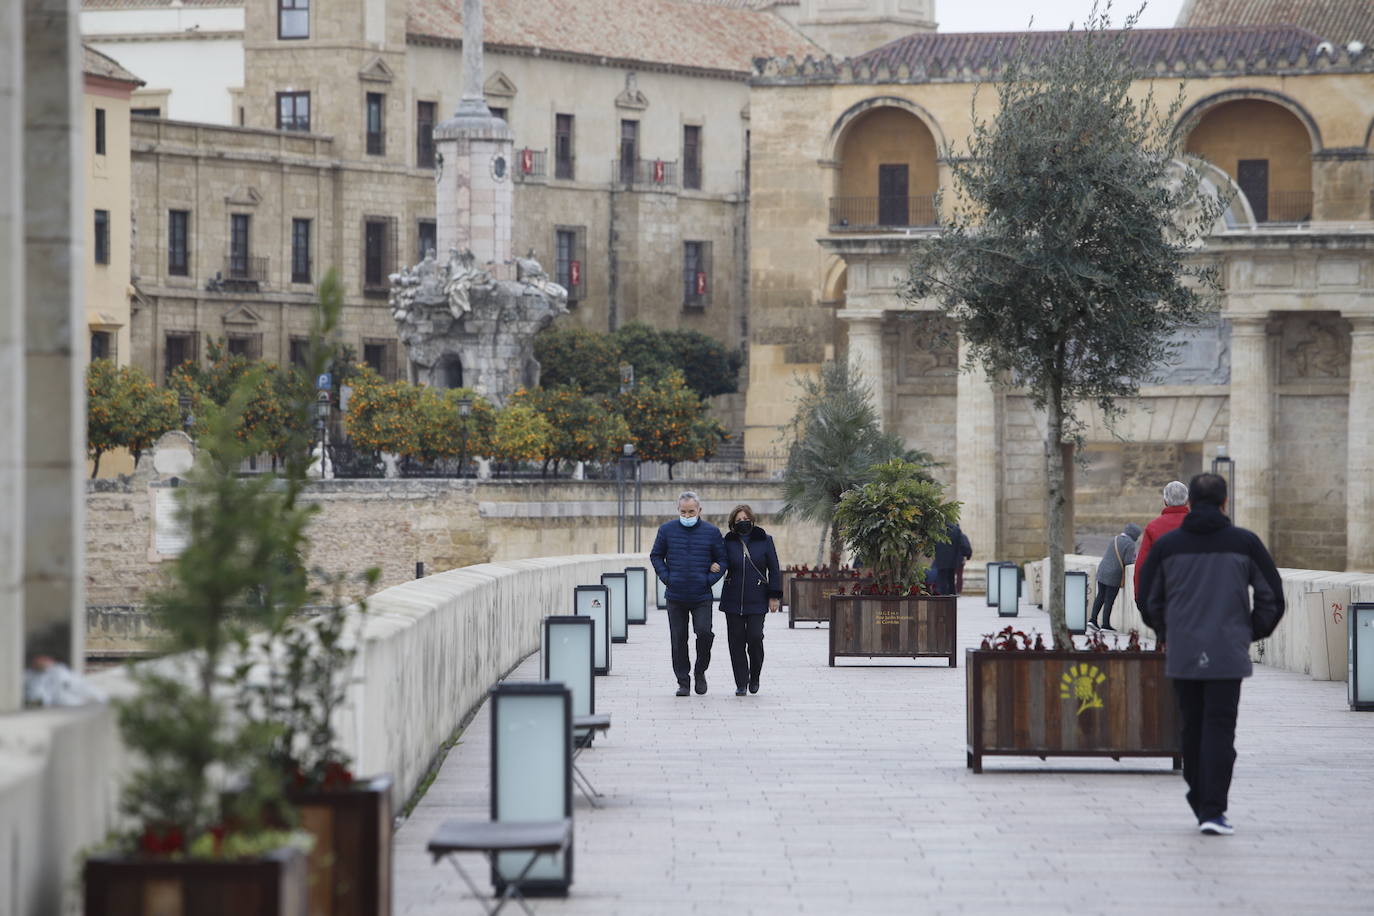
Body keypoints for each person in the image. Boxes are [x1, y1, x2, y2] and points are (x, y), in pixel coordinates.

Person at [1136, 473, 1284, 836]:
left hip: (1184, 652)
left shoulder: (1168, 546)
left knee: (1191, 727)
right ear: (1224, 503)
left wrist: (1167, 632)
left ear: (1191, 503)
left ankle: (1200, 796)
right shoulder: (1245, 543)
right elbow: (1272, 597)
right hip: (1227, 654)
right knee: (1220, 729)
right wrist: (1249, 632)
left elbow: (1148, 598)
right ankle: (1212, 809)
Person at [650, 491, 727, 697]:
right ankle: (683, 682)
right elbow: (656, 555)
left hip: (701, 596)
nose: (687, 515)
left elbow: (723, 560)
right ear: (678, 510)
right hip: (675, 595)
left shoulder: (711, 532)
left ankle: (700, 671)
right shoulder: (666, 530)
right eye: (683, 512)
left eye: (691, 511)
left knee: (704, 633)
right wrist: (668, 577)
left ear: (699, 510)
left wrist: (708, 580)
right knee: (678, 639)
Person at [718, 504, 782, 696]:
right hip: (732, 598)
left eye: (745, 519)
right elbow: (720, 563)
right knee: (736, 642)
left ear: (752, 520)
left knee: (755, 638)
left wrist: (774, 596)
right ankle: (741, 682)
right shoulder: (727, 542)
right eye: (738, 520)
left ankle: (755, 676)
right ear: (732, 524)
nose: (742, 522)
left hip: (758, 598)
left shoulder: (765, 540)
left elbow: (775, 569)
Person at [1133, 480, 1189, 601]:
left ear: (1165, 501)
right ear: (1186, 501)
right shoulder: (1198, 525)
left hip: (1163, 597)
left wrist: (1139, 596)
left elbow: (1142, 565)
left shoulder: (1153, 527)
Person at [1088, 522, 1142, 631]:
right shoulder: (1130, 544)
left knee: (1100, 596)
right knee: (1109, 600)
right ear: (1134, 535)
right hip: (1113, 575)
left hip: (1102, 571)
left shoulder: (1116, 538)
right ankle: (1105, 625)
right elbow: (1128, 561)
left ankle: (1092, 620)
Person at [931, 521, 971, 596]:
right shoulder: (956, 530)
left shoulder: (938, 530)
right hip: (953, 560)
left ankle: (942, 597)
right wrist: (967, 555)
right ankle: (951, 601)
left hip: (940, 559)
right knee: (951, 580)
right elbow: (962, 544)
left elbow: (934, 543)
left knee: (941, 580)